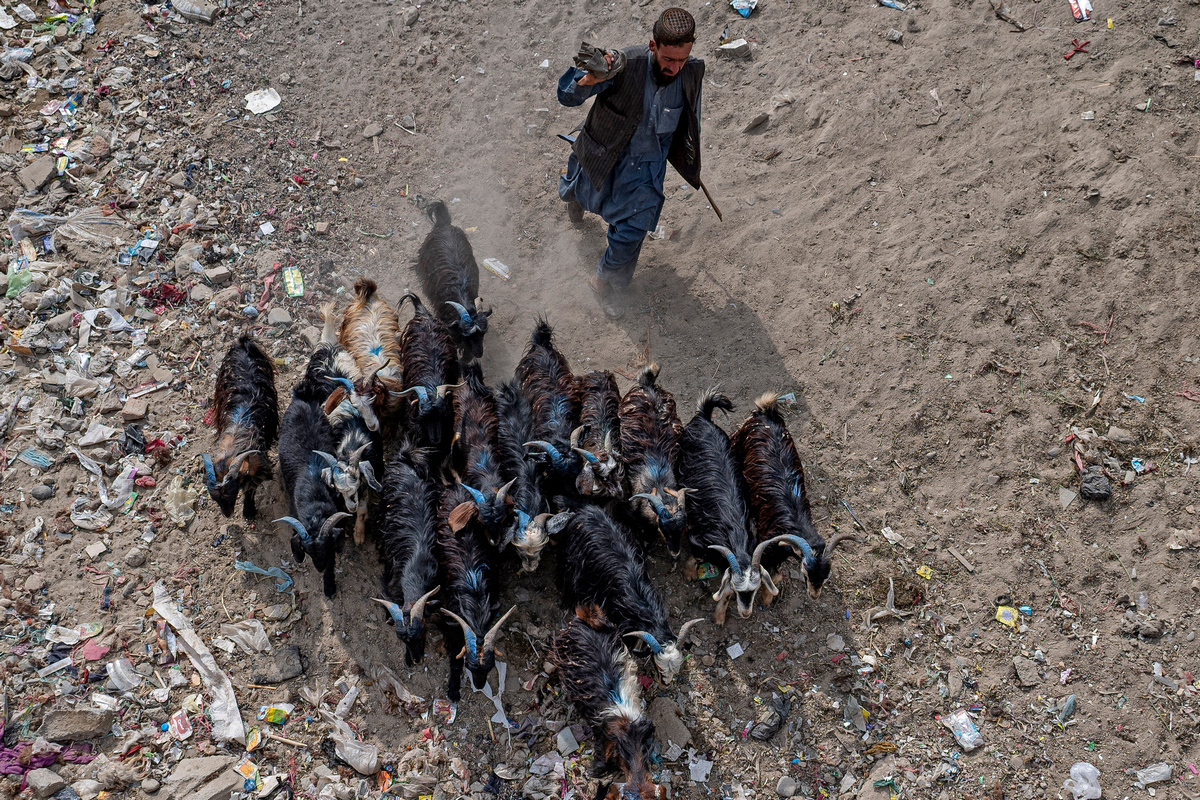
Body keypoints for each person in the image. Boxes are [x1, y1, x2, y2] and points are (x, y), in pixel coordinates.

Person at [557, 8, 705, 319]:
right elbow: (568, 97)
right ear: (654, 46)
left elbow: (691, 119)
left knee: (631, 233)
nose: (675, 68)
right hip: (603, 155)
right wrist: (591, 77)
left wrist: (688, 157)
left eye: (682, 59)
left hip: (646, 171)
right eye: (669, 60)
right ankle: (575, 200)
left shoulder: (692, 72)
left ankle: (601, 281)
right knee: (578, 191)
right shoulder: (624, 64)